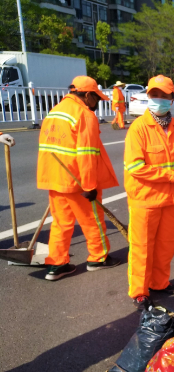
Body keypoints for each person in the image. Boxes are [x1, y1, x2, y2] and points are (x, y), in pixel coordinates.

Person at [37, 76, 121, 281]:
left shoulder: (55, 111)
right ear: (87, 95)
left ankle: (57, 264)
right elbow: (87, 154)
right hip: (77, 181)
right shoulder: (84, 115)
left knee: (61, 223)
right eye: (96, 98)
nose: (97, 103)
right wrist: (90, 185)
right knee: (92, 221)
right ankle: (98, 258)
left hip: (55, 178)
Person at [124, 75, 174, 310]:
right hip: (145, 199)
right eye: (154, 95)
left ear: (172, 99)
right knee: (142, 248)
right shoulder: (138, 128)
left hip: (171, 199)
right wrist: (172, 176)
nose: (158, 99)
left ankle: (159, 282)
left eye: (164, 95)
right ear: (148, 96)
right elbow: (135, 167)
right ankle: (139, 291)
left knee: (166, 245)